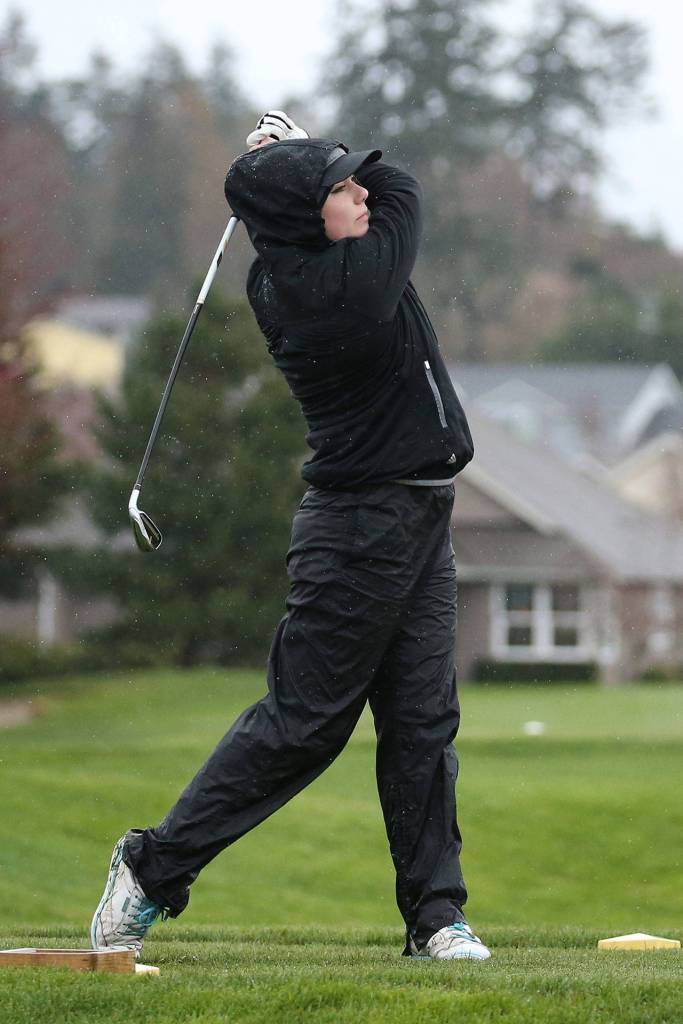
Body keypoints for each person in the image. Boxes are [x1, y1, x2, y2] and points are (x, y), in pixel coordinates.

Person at [90, 111, 490, 962]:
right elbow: (406, 191)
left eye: (350, 184)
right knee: (304, 724)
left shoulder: (295, 264)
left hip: (417, 516)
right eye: (339, 191)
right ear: (308, 221)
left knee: (423, 723)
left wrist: (295, 160)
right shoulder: (337, 289)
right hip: (360, 531)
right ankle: (150, 867)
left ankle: (434, 919)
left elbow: (361, 194)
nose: (359, 195)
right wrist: (298, 151)